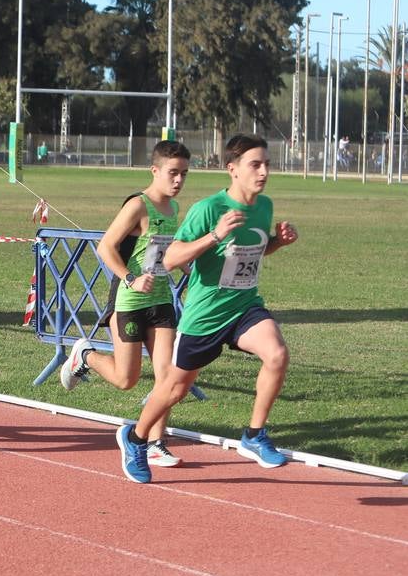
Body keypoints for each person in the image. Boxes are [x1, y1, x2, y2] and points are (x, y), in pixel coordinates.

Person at [116, 134, 299, 483]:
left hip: (245, 306)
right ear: (232, 169)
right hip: (206, 315)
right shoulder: (207, 209)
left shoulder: (264, 207)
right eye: (254, 165)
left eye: (267, 165)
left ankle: (254, 435)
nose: (263, 172)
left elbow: (252, 252)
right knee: (174, 389)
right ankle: (135, 438)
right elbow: (170, 259)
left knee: (276, 354)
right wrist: (214, 235)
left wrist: (278, 242)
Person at [60, 140, 191, 467]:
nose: (178, 181)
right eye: (173, 173)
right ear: (155, 170)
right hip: (130, 301)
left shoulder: (173, 209)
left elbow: (166, 250)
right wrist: (130, 278)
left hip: (161, 300)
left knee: (167, 376)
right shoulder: (138, 205)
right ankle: (85, 355)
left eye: (184, 175)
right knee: (126, 379)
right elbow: (106, 247)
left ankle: (156, 442)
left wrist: (191, 266)